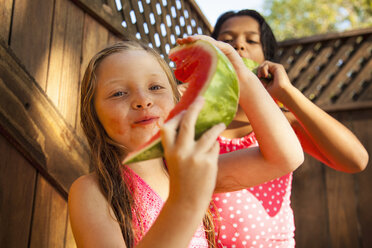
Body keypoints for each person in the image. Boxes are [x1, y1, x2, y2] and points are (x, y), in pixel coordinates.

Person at [67, 36, 304, 247]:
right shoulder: (91, 191)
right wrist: (185, 200)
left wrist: (240, 74)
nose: (143, 100)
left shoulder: (188, 172)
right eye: (119, 93)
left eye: (155, 87)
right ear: (93, 113)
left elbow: (285, 158)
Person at [210, 9, 369, 247]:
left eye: (251, 40)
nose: (238, 47)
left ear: (267, 56)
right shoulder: (196, 120)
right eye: (227, 40)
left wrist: (287, 92)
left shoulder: (282, 123)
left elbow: (355, 160)